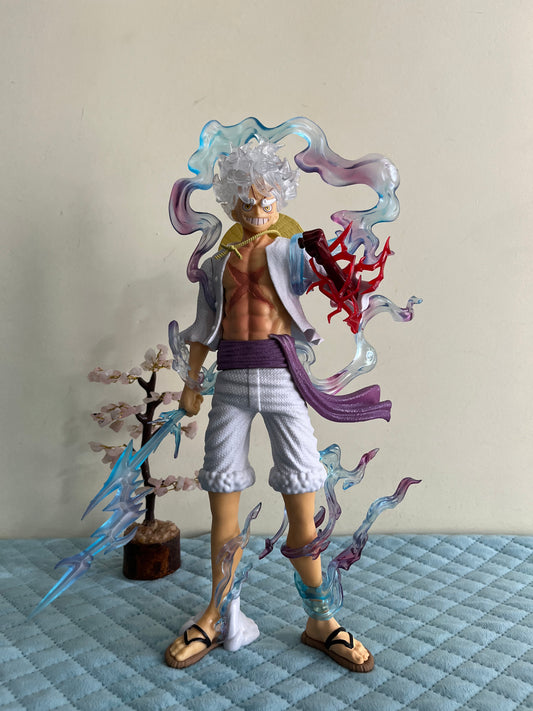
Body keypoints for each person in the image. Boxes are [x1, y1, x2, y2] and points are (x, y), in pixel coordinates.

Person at [165, 140, 376, 672]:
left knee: (303, 495)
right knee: (223, 500)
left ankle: (320, 618)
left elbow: (340, 287)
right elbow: (201, 329)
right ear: (232, 201)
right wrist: (191, 381)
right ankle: (218, 613)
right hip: (231, 381)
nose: (258, 209)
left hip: (283, 377)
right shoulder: (216, 265)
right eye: (247, 200)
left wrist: (341, 261)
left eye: (267, 200)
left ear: (280, 198)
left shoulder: (292, 252)